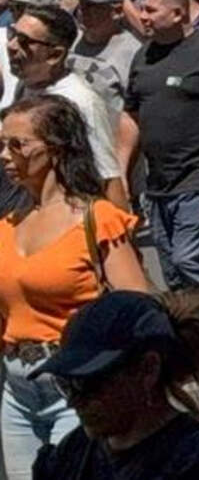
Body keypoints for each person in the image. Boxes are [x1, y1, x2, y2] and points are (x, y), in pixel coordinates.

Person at [0, 95, 147, 471]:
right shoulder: (7, 226)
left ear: (56, 149)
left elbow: (139, 310)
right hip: (16, 392)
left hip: (79, 388)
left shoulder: (96, 219)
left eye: (17, 144)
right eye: (1, 144)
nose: (4, 155)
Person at [30, 289, 199, 480]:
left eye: (88, 383)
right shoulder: (74, 453)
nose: (73, 401)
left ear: (148, 369)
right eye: (66, 384)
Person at [124, 0, 199, 334]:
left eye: (150, 11)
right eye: (142, 10)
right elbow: (131, 116)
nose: (142, 17)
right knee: (173, 274)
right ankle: (196, 340)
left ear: (177, 14)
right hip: (158, 184)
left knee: (190, 260)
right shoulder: (143, 57)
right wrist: (121, 171)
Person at [7, 4, 128, 209]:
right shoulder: (25, 87)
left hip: (65, 217)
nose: (11, 45)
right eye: (13, 34)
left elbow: (107, 175)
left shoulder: (81, 101)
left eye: (24, 41)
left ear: (55, 55)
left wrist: (117, 232)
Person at [65, 0, 140, 119]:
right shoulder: (70, 40)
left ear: (117, 11)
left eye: (93, 6)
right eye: (82, 5)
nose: (84, 12)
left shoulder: (133, 52)